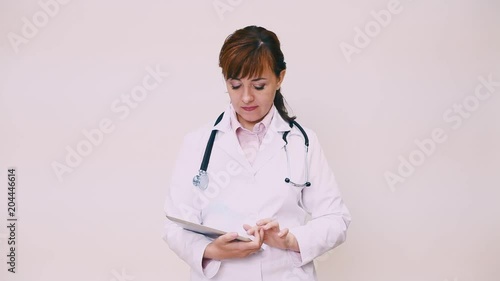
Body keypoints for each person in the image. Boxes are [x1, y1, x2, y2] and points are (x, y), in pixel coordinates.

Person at [163, 25, 351, 281]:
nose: (247, 97)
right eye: (236, 85)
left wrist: (292, 240)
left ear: (280, 78)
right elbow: (174, 224)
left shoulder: (302, 142)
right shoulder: (197, 142)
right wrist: (210, 250)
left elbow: (336, 219)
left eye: (259, 85)